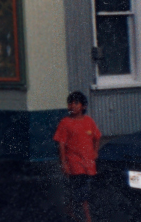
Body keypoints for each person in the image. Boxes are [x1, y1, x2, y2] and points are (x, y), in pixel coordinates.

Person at [54, 90, 101, 222]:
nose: (72, 106)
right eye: (70, 103)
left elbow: (97, 137)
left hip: (88, 162)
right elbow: (61, 144)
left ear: (83, 106)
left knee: (81, 188)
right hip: (74, 161)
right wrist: (63, 163)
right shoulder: (65, 123)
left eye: (76, 103)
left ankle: (69, 207)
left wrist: (95, 152)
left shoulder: (89, 121)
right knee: (82, 187)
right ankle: (87, 217)